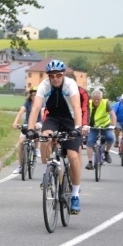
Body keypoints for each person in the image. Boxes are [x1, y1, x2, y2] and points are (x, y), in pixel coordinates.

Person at [26, 59, 84, 214]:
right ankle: (47, 171)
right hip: (53, 119)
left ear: (63, 74)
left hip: (70, 120)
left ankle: (75, 195)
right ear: (49, 77)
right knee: (45, 138)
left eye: (58, 75)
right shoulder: (44, 86)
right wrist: (31, 129)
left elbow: (77, 108)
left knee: (73, 156)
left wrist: (77, 128)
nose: (55, 78)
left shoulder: (70, 85)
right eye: (52, 76)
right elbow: (36, 107)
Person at [11, 88, 42, 175]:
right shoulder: (27, 103)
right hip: (27, 124)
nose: (34, 97)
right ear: (30, 96)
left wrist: (42, 123)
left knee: (37, 131)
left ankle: (36, 149)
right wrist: (15, 122)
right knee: (21, 142)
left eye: (36, 95)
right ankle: (20, 166)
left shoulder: (41, 103)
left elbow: (43, 113)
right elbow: (20, 112)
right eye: (33, 95)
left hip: (37, 123)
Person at [84, 90, 116, 169]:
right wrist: (84, 125)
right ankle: (90, 162)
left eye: (98, 99)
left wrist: (113, 125)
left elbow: (113, 115)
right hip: (93, 126)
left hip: (105, 125)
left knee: (110, 137)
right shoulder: (89, 103)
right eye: (95, 99)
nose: (96, 100)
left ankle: (107, 152)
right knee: (90, 141)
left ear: (101, 98)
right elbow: (84, 114)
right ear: (92, 98)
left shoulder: (105, 103)